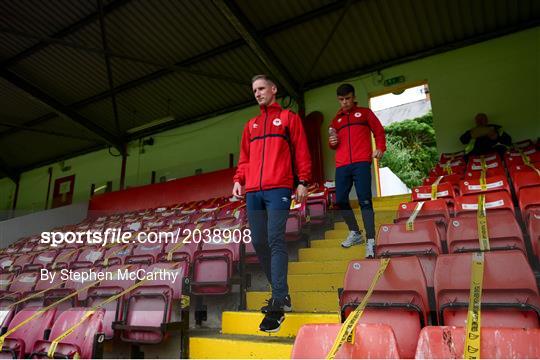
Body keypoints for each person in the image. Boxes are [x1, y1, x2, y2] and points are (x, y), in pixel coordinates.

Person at [232, 75, 311, 333]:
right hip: (253, 191)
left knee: (275, 239)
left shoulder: (289, 118)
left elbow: (301, 151)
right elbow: (244, 159)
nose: (257, 93)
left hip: (279, 188)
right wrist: (238, 180)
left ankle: (277, 302)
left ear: (274, 89)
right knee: (259, 241)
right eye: (254, 90)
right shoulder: (250, 125)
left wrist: (303, 182)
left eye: (262, 88)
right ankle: (282, 294)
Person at [328, 83, 386, 258]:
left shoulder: (365, 113)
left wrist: (380, 148)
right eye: (341, 99)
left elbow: (379, 131)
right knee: (340, 200)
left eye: (347, 98)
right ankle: (355, 232)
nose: (344, 102)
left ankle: (370, 240)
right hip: (342, 165)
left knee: (365, 200)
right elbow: (332, 144)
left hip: (361, 162)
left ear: (353, 97)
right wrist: (332, 142)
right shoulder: (335, 121)